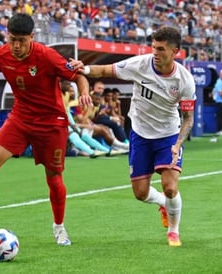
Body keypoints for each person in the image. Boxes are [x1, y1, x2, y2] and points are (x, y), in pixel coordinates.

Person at [0, 13, 92, 246]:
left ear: (32, 37)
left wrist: (84, 93)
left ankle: (59, 228)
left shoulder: (47, 56)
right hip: (21, 117)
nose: (16, 46)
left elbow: (78, 76)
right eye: (12, 39)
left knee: (54, 177)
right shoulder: (2, 54)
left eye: (21, 40)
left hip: (51, 122)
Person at [72, 26, 196, 246]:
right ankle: (162, 204)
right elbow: (105, 70)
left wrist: (177, 144)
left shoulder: (184, 80)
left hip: (168, 135)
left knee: (170, 187)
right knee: (140, 193)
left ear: (175, 52)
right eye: (153, 47)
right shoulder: (140, 64)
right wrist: (86, 69)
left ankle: (174, 232)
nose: (155, 53)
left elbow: (188, 118)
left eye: (161, 49)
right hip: (140, 133)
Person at [212, 69, 222, 134]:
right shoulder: (219, 82)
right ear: (220, 75)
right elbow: (221, 93)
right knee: (220, 116)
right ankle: (219, 130)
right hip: (219, 101)